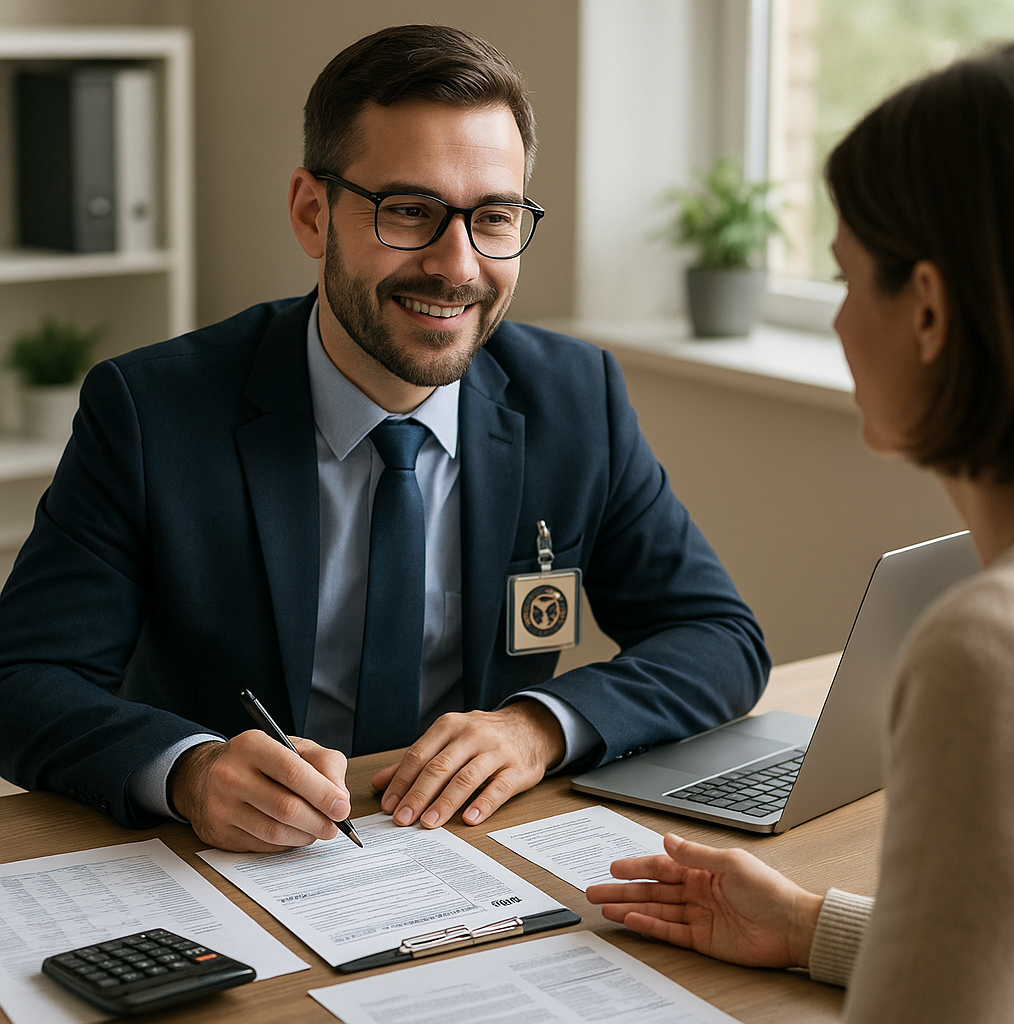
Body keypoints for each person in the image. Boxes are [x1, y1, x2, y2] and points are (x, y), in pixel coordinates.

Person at [0, 25, 769, 854]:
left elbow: (719, 638)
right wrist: (188, 772)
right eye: (410, 211)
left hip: (472, 854)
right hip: (233, 866)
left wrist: (537, 727)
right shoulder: (152, 410)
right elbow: (22, 679)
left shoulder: (576, 399)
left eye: (495, 217)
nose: (457, 265)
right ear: (311, 211)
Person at [587, 42, 1014, 1022]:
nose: (832, 321)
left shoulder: (986, 649)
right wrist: (809, 926)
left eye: (842, 277)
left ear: (926, 311)